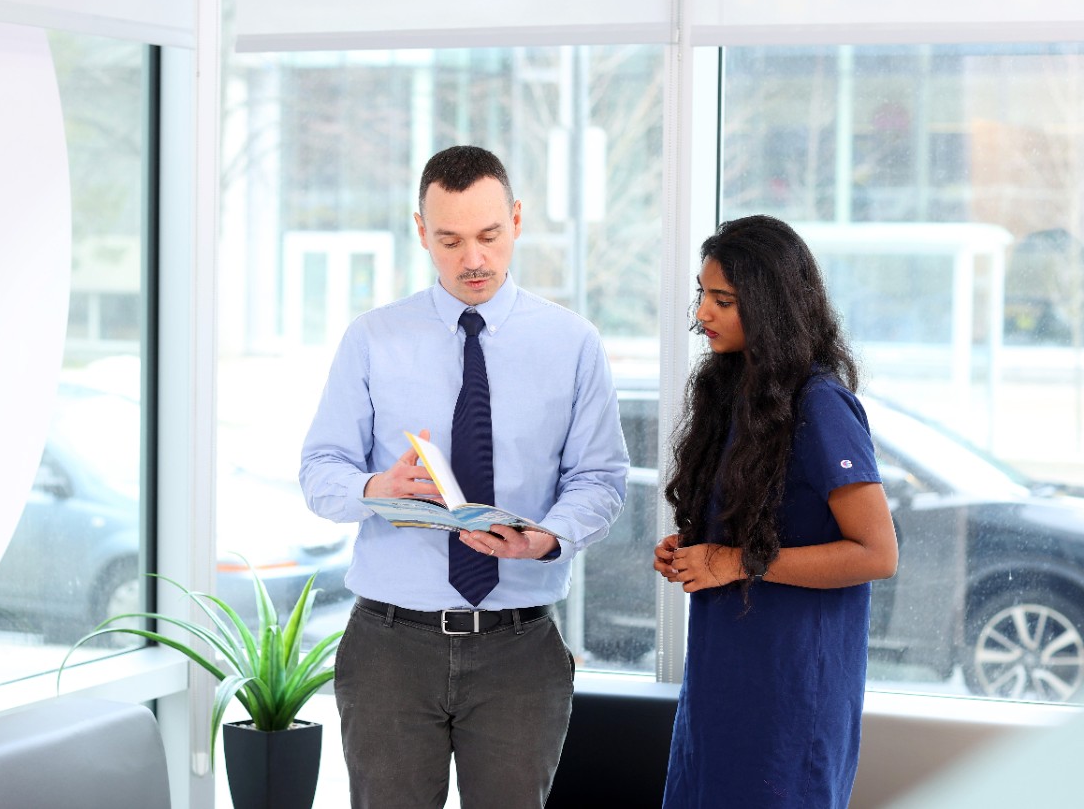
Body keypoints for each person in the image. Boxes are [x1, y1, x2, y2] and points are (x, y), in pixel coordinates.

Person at [300, 144, 629, 809]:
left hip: (519, 648)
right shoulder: (372, 338)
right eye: (449, 239)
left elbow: (601, 477)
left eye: (488, 235)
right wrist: (375, 488)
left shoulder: (572, 342)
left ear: (516, 219)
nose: (472, 259)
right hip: (389, 648)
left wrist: (546, 537)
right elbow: (319, 469)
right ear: (421, 230)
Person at [653, 215, 899, 808]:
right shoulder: (732, 394)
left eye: (723, 300)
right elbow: (744, 529)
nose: (702, 314)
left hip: (790, 696)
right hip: (723, 683)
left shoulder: (821, 406)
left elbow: (877, 554)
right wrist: (693, 550)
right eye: (702, 295)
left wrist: (735, 561)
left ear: (770, 306)